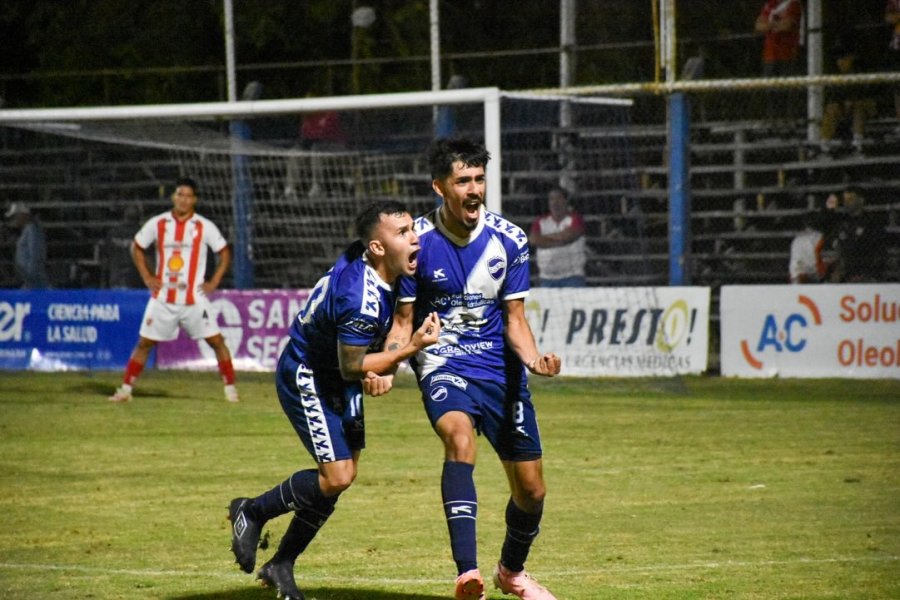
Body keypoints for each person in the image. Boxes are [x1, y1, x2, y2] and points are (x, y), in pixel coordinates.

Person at [227, 200, 440, 600]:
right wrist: (404, 352)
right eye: (403, 233)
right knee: (336, 476)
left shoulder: (386, 262)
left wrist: (385, 368)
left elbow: (391, 329)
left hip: (340, 372)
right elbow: (351, 365)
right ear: (377, 248)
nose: (415, 239)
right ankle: (251, 511)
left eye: (412, 229)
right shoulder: (358, 297)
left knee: (340, 480)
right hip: (309, 373)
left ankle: (280, 564)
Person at [387, 137, 561, 600]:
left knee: (533, 491)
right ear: (440, 187)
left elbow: (516, 321)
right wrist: (386, 363)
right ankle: (469, 574)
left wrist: (533, 360)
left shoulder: (511, 240)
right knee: (459, 439)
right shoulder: (415, 244)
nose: (474, 189)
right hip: (443, 364)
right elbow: (403, 323)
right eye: (463, 180)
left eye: (479, 179)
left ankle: (512, 572)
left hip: (501, 373)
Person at [108, 177, 239, 403]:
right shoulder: (158, 223)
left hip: (194, 298)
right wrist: (148, 276)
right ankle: (126, 390)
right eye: (180, 195)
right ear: (173, 197)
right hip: (164, 297)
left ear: (194, 200)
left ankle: (230, 390)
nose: (183, 200)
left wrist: (214, 281)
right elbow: (137, 247)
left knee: (217, 342)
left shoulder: (203, 226)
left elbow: (224, 252)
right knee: (144, 343)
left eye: (188, 196)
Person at [819, 37, 877, 156]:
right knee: (832, 108)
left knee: (859, 107)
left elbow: (868, 92)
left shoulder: (861, 70)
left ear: (852, 58)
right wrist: (843, 102)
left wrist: (853, 100)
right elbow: (833, 95)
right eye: (839, 58)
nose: (840, 62)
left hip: (865, 106)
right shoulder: (835, 74)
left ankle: (858, 146)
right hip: (844, 107)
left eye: (844, 58)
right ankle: (824, 148)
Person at [529, 187, 587, 287]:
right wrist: (560, 239)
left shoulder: (575, 219)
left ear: (566, 201)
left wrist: (545, 240)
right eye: (551, 199)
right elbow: (534, 240)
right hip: (547, 278)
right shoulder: (540, 221)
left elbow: (569, 236)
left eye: (558, 198)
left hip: (573, 277)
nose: (555, 202)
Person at [832, 188, 889, 283]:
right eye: (845, 200)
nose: (847, 203)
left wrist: (869, 275)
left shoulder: (872, 222)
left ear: (861, 200)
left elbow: (879, 251)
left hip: (867, 277)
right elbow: (840, 249)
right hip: (847, 277)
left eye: (850, 199)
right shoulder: (842, 223)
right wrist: (838, 270)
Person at [4, 202, 49, 289]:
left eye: (15, 216)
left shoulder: (32, 229)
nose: (13, 220)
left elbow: (35, 253)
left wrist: (31, 275)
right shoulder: (29, 230)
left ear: (22, 215)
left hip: (33, 279)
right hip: (29, 279)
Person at [754, 0, 803, 78]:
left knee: (786, 87)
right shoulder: (770, 4)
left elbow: (787, 25)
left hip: (787, 55)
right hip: (769, 56)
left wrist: (768, 25)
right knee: (769, 86)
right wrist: (776, 24)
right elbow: (759, 26)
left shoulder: (793, 4)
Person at [104, 203, 145, 288]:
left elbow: (106, 255)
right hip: (132, 278)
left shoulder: (113, 232)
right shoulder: (143, 234)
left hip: (120, 277)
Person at [789, 210, 833, 283]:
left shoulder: (796, 238)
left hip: (797, 273)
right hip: (812, 273)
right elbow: (819, 253)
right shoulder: (819, 237)